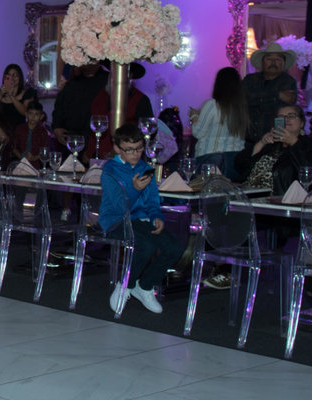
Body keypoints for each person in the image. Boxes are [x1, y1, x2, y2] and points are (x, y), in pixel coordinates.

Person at [100, 125, 184, 314]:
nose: (135, 153)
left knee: (175, 247)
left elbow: (153, 200)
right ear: (118, 149)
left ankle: (145, 285)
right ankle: (125, 285)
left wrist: (156, 216)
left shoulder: (145, 168)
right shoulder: (110, 170)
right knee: (145, 246)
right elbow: (120, 207)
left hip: (141, 220)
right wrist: (135, 188)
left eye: (138, 148)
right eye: (129, 149)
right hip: (115, 220)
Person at [233, 104, 312, 196]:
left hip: (281, 198)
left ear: (302, 123)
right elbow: (241, 166)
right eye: (281, 117)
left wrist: (294, 142)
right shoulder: (272, 144)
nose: (286, 120)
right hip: (250, 194)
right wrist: (261, 143)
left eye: (291, 116)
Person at [190, 66, 248, 180]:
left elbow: (198, 132)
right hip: (235, 162)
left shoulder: (212, 105)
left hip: (211, 160)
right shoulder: (242, 108)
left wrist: (194, 116)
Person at [87, 62, 153, 159]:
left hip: (127, 159)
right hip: (96, 157)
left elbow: (146, 132)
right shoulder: (98, 95)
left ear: (130, 76)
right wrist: (87, 152)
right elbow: (89, 124)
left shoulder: (141, 99)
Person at [243, 41, 297, 141]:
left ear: (283, 63)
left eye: (278, 59)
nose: (273, 62)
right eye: (269, 59)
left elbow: (281, 107)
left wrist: (258, 98)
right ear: (262, 62)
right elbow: (244, 99)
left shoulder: (288, 81)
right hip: (247, 138)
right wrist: (277, 95)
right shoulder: (250, 79)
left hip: (274, 137)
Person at [51, 62, 106, 155]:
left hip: (97, 139)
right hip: (71, 139)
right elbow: (59, 106)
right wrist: (56, 127)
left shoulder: (107, 80)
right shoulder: (73, 82)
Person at [0, 63, 37, 136]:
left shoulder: (27, 93)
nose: (12, 78)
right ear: (4, 78)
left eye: (15, 75)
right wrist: (1, 94)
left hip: (19, 134)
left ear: (20, 77)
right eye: (9, 75)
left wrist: (11, 96)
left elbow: (25, 113)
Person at [12, 100, 55, 166]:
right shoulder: (19, 128)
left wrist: (34, 158)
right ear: (26, 114)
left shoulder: (42, 131)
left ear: (41, 116)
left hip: (37, 165)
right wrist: (22, 158)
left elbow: (45, 151)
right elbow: (14, 147)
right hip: (20, 163)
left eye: (36, 114)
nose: (33, 117)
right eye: (30, 113)